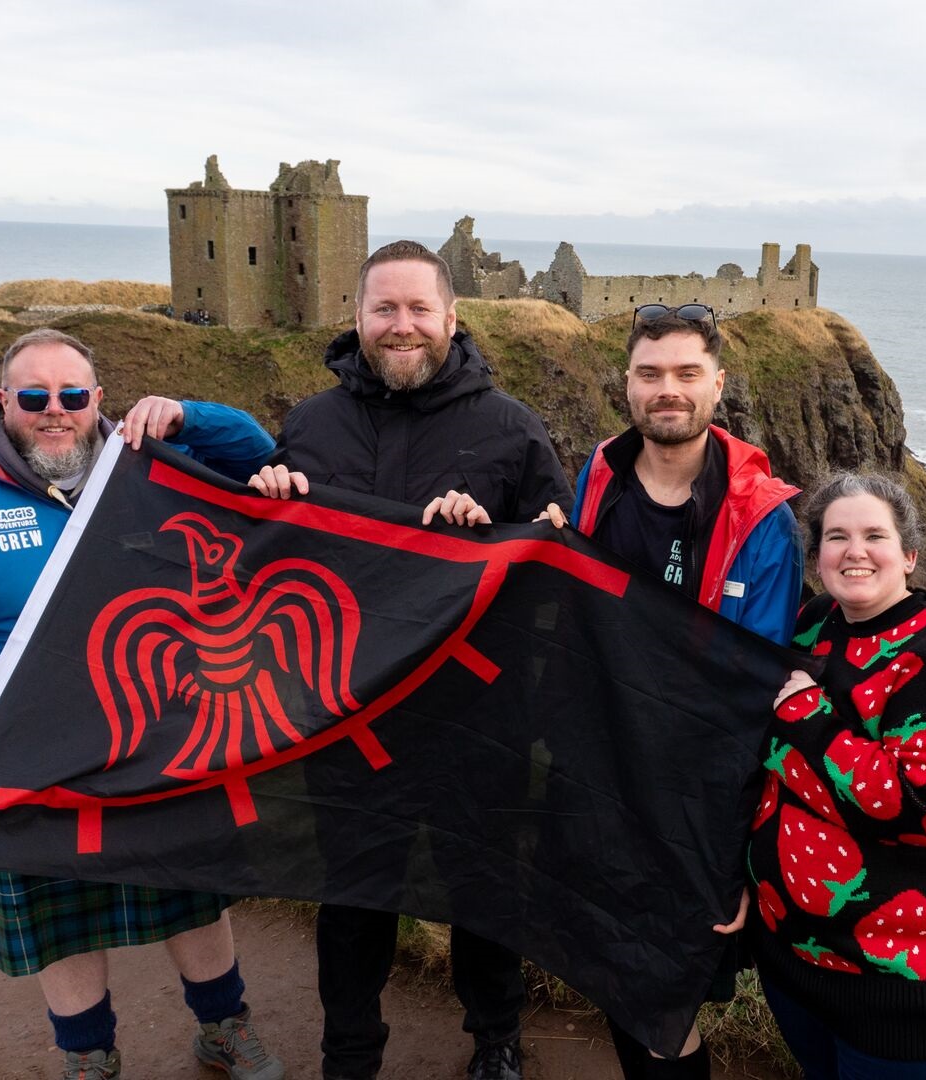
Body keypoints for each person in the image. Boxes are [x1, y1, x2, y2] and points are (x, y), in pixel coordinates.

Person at [0, 327, 286, 1080]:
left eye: (73, 395)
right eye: (33, 397)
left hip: (157, 743)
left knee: (190, 896)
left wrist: (187, 416)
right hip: (27, 758)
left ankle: (224, 1024)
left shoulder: (149, 469)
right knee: (63, 927)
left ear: (98, 401)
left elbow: (260, 456)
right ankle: (88, 1054)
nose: (54, 411)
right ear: (1, 402)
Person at [248, 240, 571, 1080]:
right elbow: (272, 566)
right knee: (353, 898)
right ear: (355, 318)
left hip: (476, 717)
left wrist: (495, 535)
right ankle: (349, 1052)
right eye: (383, 310)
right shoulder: (312, 424)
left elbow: (559, 565)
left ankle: (496, 1041)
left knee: (484, 891)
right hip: (345, 715)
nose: (402, 327)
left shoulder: (510, 428)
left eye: (418, 309)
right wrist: (271, 499)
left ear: (450, 319)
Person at [541, 302, 804, 1078]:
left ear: (717, 384)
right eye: (651, 373)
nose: (669, 390)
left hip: (694, 805)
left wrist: (730, 859)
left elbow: (746, 697)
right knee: (621, 983)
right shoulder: (599, 476)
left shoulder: (762, 522)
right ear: (626, 383)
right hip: (600, 783)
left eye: (688, 373)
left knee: (666, 999)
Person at [748, 472, 926, 1078]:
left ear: (909, 554)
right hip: (801, 961)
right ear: (816, 555)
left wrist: (807, 717)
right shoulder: (816, 624)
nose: (854, 551)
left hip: (912, 986)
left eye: (875, 535)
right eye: (836, 536)